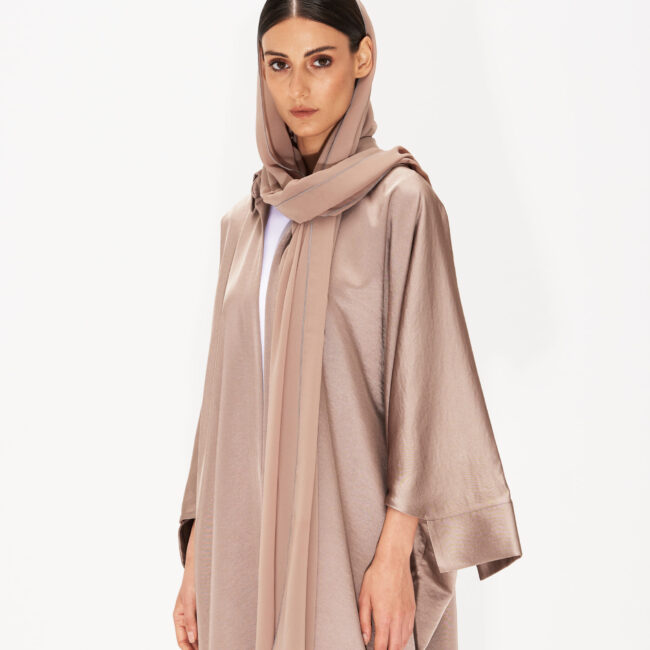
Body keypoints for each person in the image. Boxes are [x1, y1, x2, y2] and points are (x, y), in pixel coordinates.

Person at [172, 1, 523, 649]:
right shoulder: (245, 223)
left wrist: (393, 558)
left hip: (353, 540)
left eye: (320, 61)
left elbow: (429, 392)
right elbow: (222, 404)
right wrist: (200, 557)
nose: (297, 89)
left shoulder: (401, 204)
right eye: (279, 65)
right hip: (244, 541)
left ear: (362, 59)